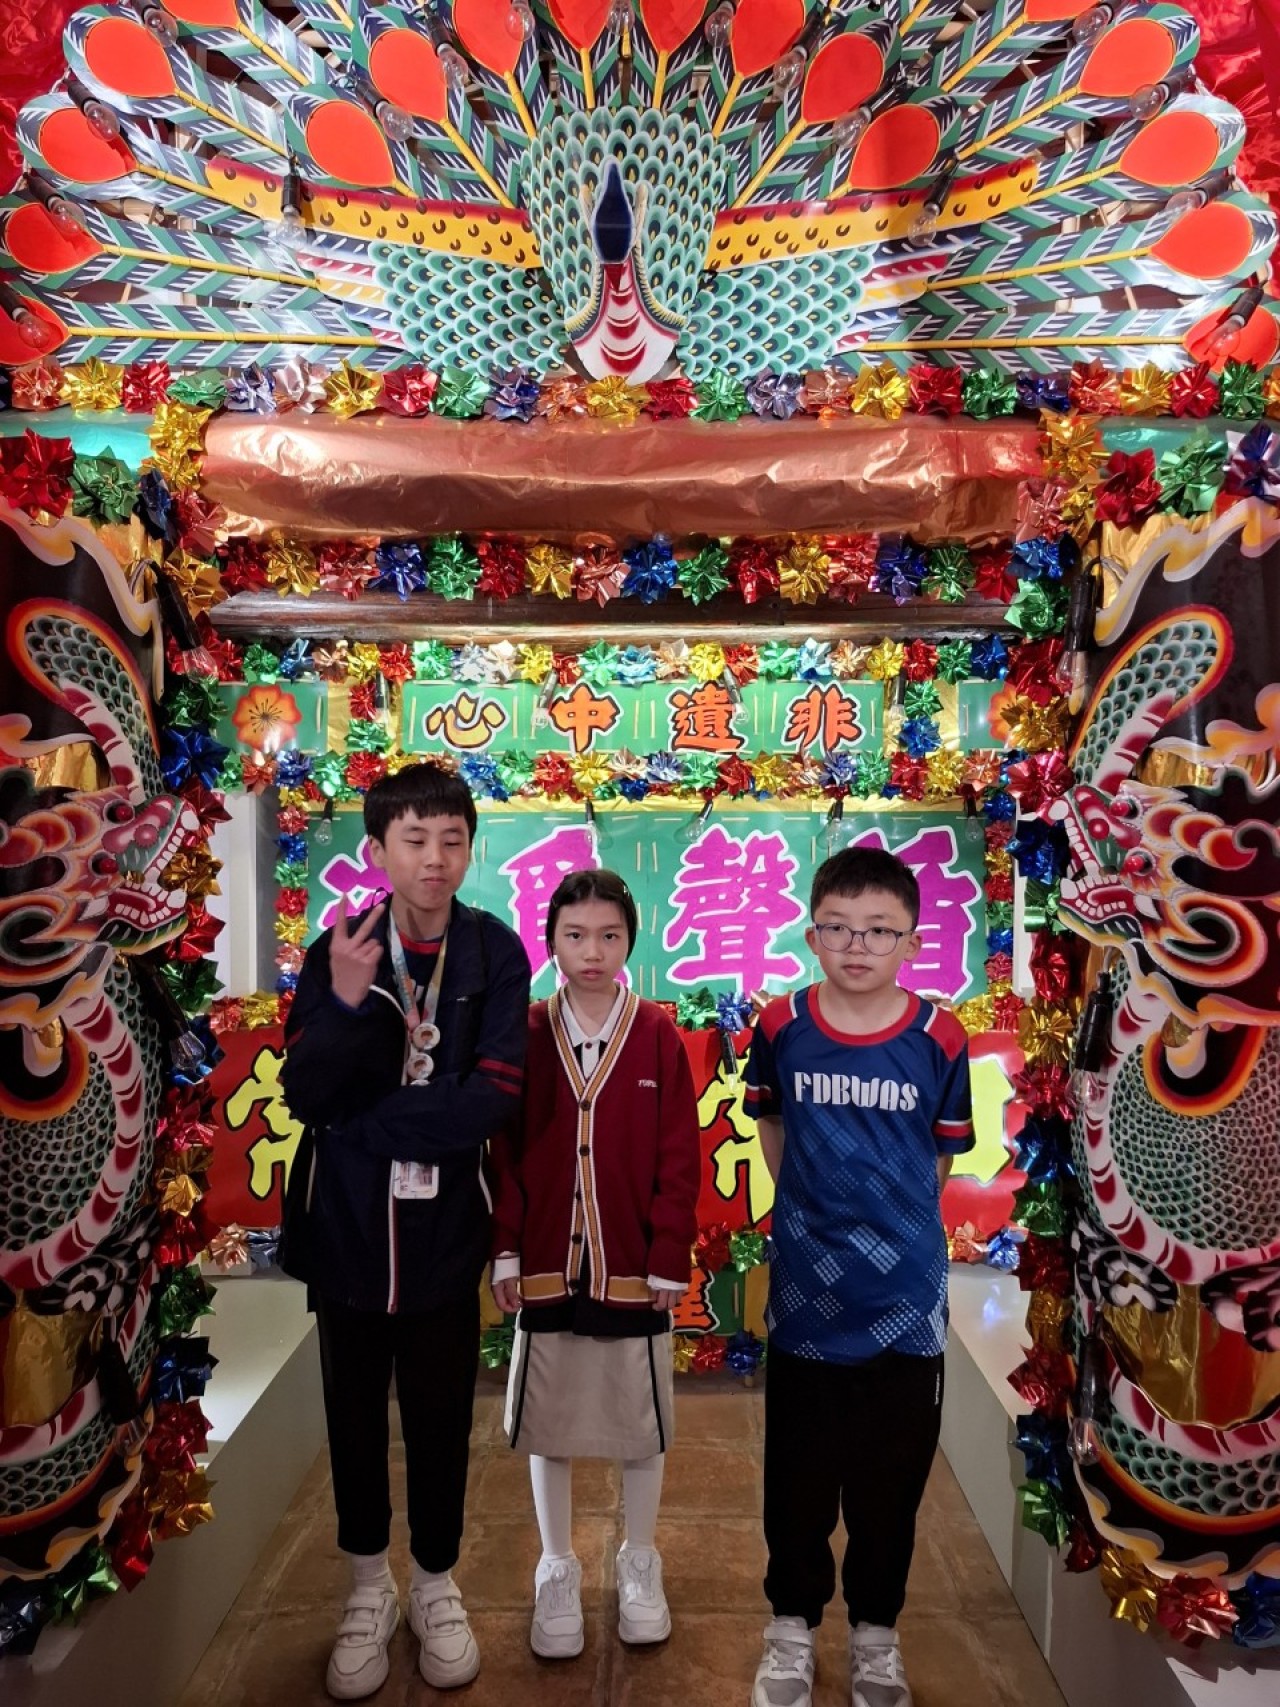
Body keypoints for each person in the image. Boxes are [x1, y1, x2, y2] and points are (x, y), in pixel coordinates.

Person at [279, 764, 531, 1700]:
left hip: (443, 1236)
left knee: (438, 1418)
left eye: (451, 839)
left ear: (469, 848)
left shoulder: (494, 952)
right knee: (352, 1417)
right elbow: (306, 1092)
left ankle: (434, 1582)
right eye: (415, 839)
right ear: (378, 849)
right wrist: (347, 1005)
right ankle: (365, 1587)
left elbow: (491, 1098)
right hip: (344, 1229)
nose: (435, 858)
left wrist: (365, 1121)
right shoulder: (338, 949)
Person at [744, 847, 974, 1707]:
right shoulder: (780, 1025)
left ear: (912, 941)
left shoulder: (939, 1037)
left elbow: (940, 1159)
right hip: (806, 1296)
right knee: (797, 1480)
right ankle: (790, 1628)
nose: (857, 946)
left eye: (880, 930)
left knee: (890, 1483)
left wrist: (891, 1230)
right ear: (811, 935)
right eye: (838, 928)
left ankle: (877, 1634)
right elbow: (771, 1126)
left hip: (903, 1304)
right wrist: (813, 1215)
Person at [488, 868, 700, 1660]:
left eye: (610, 935)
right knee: (551, 1423)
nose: (592, 951)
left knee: (639, 1422)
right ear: (551, 941)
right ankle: (556, 1564)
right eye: (575, 935)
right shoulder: (524, 1032)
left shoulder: (656, 1035)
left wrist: (668, 1252)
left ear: (630, 941)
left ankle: (639, 1559)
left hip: (633, 1267)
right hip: (547, 1261)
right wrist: (507, 1246)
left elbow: (680, 1153)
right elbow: (502, 1151)